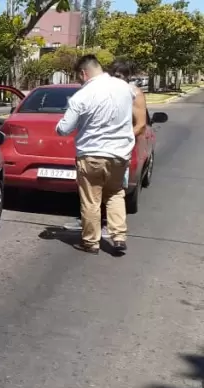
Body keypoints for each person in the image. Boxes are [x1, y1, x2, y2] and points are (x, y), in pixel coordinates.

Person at [57, 54, 136, 254]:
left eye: (79, 76)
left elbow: (64, 128)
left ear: (84, 73)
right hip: (119, 154)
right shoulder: (124, 87)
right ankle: (118, 236)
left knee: (91, 200)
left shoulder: (82, 95)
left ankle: (91, 242)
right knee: (115, 193)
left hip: (91, 154)